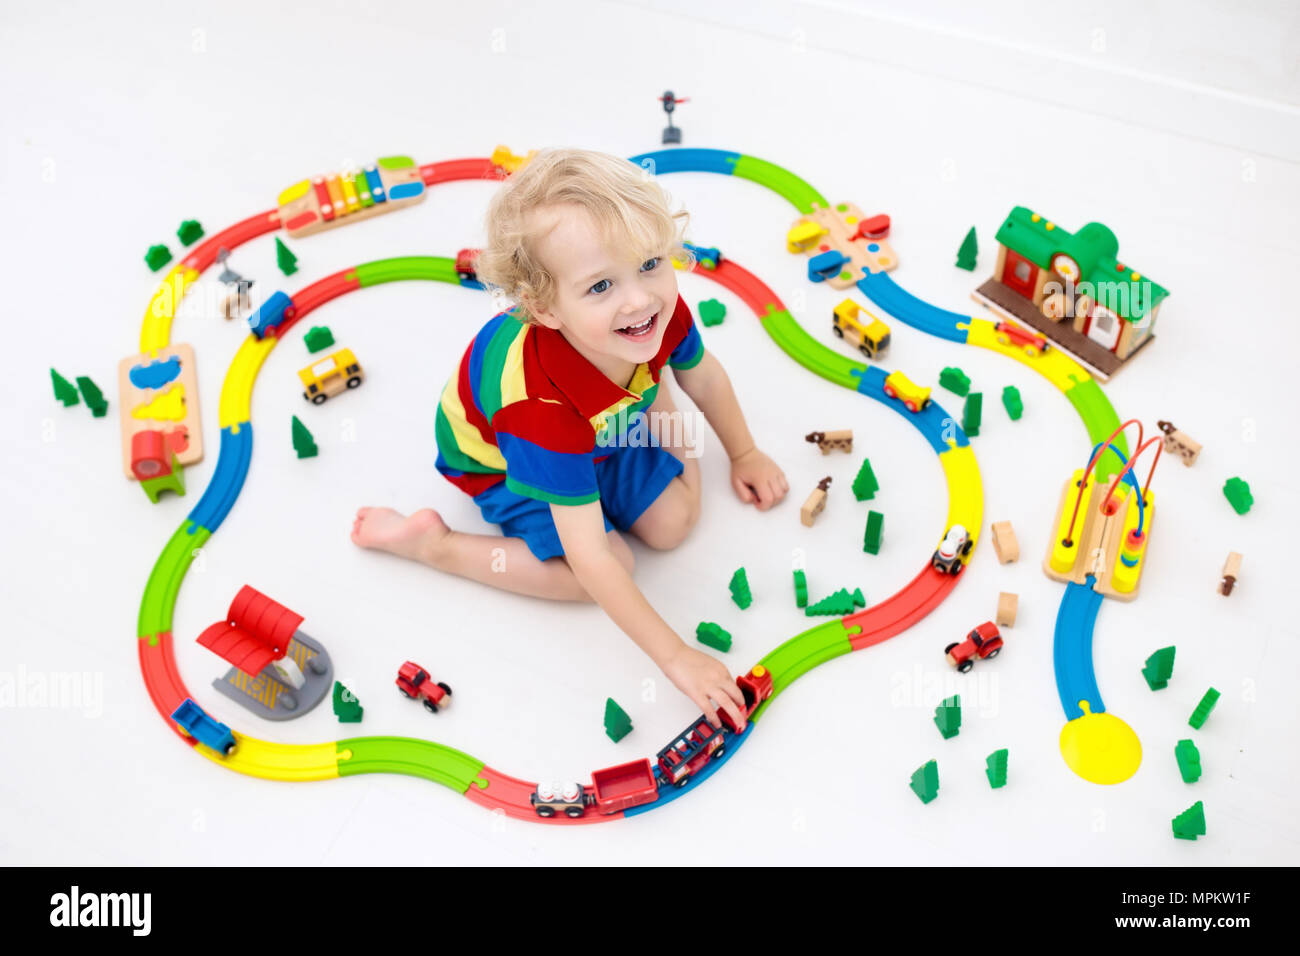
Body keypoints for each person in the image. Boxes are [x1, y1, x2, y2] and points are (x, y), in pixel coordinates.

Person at [352, 148, 788, 729]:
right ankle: (438, 546)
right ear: (544, 308)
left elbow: (703, 374)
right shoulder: (539, 411)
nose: (639, 299)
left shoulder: (656, 310)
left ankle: (649, 395)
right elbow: (590, 557)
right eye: (601, 285)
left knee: (673, 524)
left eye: (651, 262)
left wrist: (745, 451)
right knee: (606, 569)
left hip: (605, 432)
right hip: (510, 464)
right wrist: (676, 656)